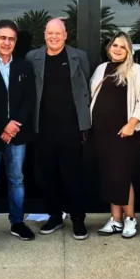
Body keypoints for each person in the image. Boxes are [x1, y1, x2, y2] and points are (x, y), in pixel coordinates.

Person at [26, 18, 92, 240]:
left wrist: (84, 122)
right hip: (43, 128)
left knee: (73, 175)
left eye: (58, 33)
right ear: (44, 35)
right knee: (48, 175)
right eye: (50, 33)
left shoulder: (78, 56)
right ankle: (54, 216)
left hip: (71, 127)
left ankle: (78, 219)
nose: (53, 37)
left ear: (65, 35)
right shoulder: (33, 57)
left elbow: (85, 87)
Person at [0, 20, 36, 245]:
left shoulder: (24, 66)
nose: (7, 42)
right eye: (3, 37)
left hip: (18, 134)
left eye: (11, 39)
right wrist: (2, 126)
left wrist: (14, 126)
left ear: (16, 41)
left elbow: (29, 99)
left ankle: (17, 222)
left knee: (17, 179)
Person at [92, 32, 140, 239]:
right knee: (109, 175)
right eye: (115, 45)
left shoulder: (135, 71)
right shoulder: (102, 68)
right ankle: (115, 220)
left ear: (129, 50)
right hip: (103, 132)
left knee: (122, 176)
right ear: (109, 48)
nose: (117, 49)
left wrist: (132, 124)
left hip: (125, 133)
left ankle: (130, 218)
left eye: (122, 46)